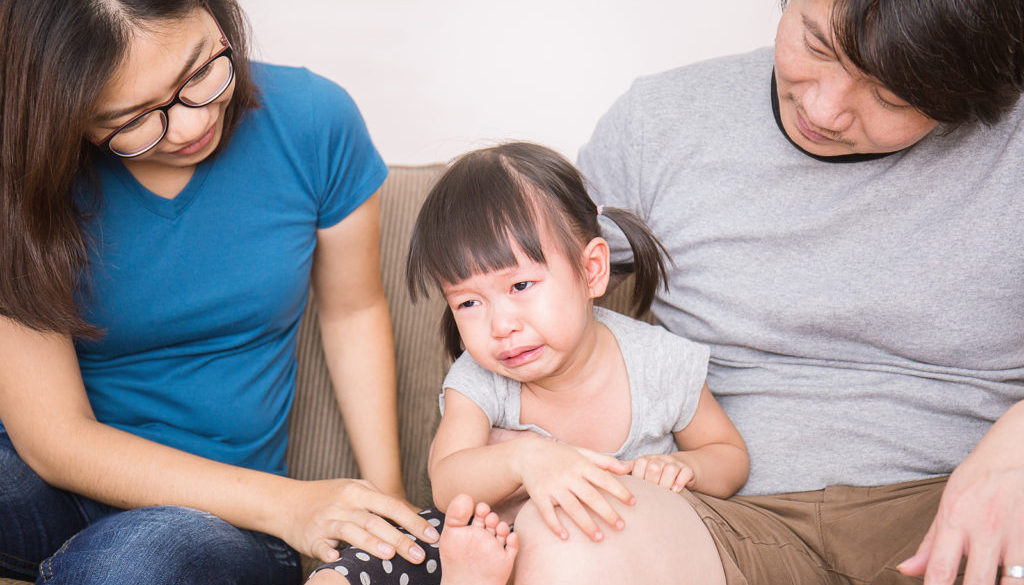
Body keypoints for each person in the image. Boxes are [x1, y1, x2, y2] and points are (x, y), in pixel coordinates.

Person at [572, 0, 1024, 583]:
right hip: (716, 518)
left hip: (955, 511)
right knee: (569, 539)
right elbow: (511, 290)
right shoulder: (658, 122)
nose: (823, 108)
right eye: (815, 45)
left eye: (891, 96)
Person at [0, 1, 438, 583]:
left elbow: (353, 311)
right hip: (50, 483)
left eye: (198, 74)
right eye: (131, 119)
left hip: (227, 516)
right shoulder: (25, 177)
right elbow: (57, 439)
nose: (188, 127)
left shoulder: (313, 120)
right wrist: (292, 504)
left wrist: (384, 506)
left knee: (134, 564)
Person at [307, 141, 749, 585]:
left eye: (520, 285)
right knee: (340, 577)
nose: (501, 325)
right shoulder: (479, 380)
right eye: (468, 303)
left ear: (592, 270)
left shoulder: (659, 363)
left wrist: (688, 468)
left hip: (606, 555)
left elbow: (730, 457)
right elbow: (447, 483)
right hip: (483, 544)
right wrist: (524, 458)